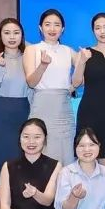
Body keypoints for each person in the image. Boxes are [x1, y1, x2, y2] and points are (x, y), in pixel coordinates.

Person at [24, 9, 76, 165]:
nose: (52, 29)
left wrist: (71, 87)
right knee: (43, 148)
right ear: (40, 27)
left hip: (63, 108)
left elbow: (83, 77)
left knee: (65, 151)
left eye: (57, 25)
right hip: (42, 106)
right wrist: (43, 65)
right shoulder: (32, 49)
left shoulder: (68, 51)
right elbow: (31, 82)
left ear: (63, 28)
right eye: (47, 24)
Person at [0, 18, 31, 170]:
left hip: (24, 110)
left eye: (16, 33)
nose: (12, 37)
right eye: (7, 33)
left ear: (22, 35)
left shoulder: (29, 57)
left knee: (22, 156)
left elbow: (33, 87)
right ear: (0, 36)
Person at [73, 13, 105, 166]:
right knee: (86, 157)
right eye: (98, 28)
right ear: (93, 31)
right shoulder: (85, 53)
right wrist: (82, 61)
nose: (102, 31)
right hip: (88, 111)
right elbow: (76, 83)